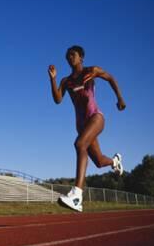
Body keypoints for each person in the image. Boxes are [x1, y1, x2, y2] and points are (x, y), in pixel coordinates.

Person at [48, 45, 126, 212]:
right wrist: (53, 79)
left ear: (81, 57)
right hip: (81, 125)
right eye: (67, 56)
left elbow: (110, 78)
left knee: (79, 145)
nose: (70, 58)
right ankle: (115, 161)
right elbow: (57, 99)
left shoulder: (91, 71)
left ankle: (77, 195)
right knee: (98, 161)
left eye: (73, 55)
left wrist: (119, 98)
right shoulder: (66, 81)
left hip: (95, 117)